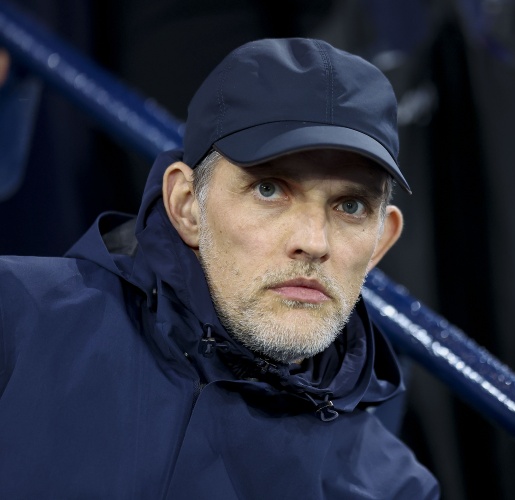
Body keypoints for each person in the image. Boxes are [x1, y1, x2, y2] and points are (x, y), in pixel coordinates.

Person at [0, 37, 440, 499]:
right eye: (269, 189)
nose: (313, 242)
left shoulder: (394, 489)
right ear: (186, 205)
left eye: (351, 206)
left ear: (381, 241)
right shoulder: (17, 318)